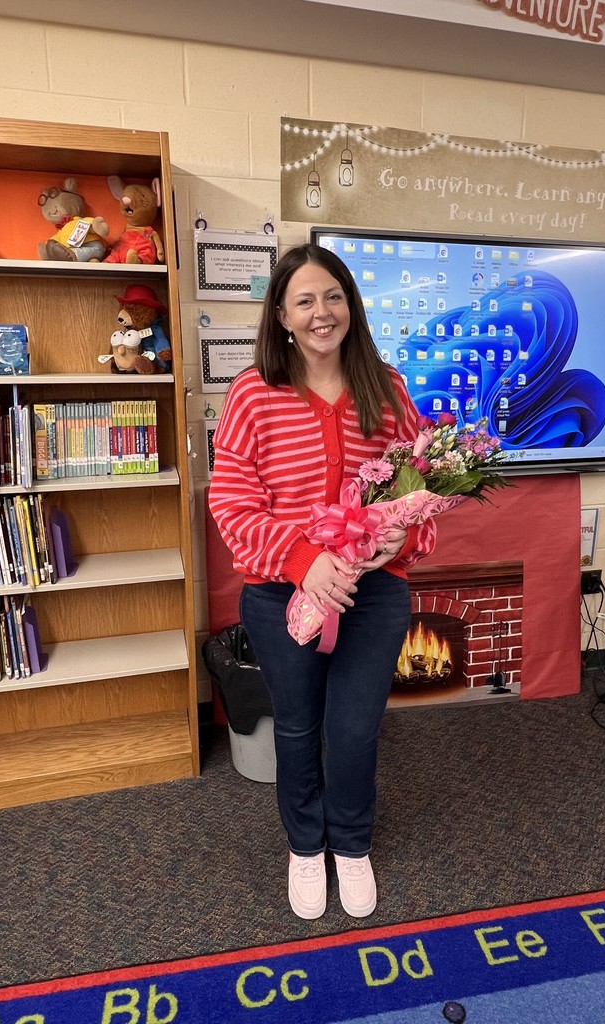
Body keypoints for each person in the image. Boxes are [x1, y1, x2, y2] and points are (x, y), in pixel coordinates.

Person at [208, 243, 436, 920]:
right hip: (283, 594)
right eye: (304, 300)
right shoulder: (254, 393)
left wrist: (405, 530)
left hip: (373, 594)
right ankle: (306, 847)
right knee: (299, 728)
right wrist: (305, 561)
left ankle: (352, 845)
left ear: (351, 305)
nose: (321, 312)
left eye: (332, 296)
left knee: (357, 729)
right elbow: (231, 505)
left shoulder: (387, 387)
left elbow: (417, 488)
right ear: (281, 314)